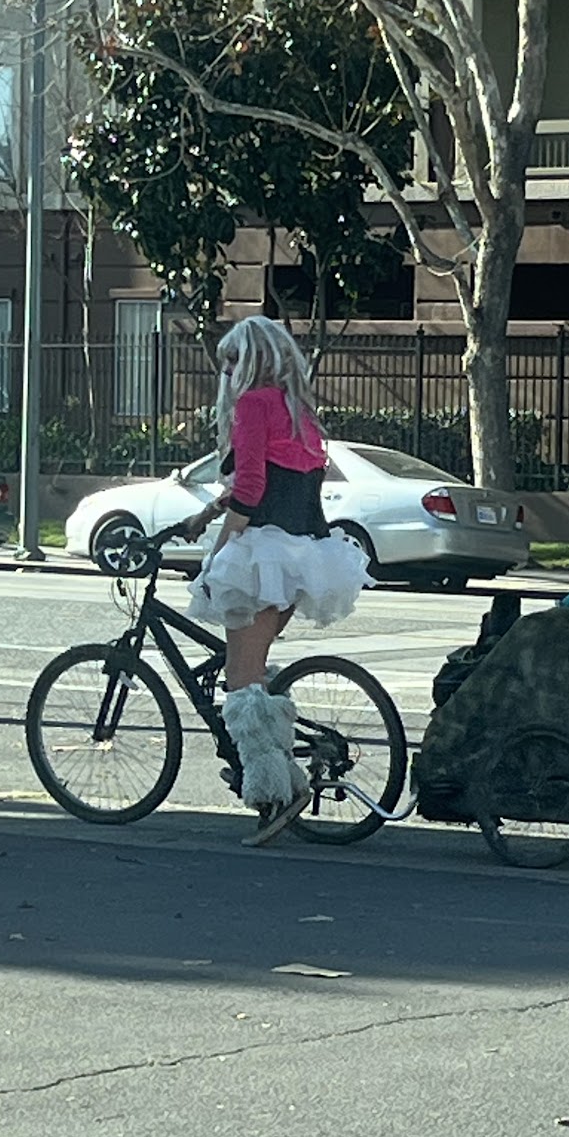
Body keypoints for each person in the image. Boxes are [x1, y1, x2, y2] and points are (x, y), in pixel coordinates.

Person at [182, 316, 370, 845]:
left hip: (262, 554)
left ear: (250, 361)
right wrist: (207, 513)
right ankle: (272, 773)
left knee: (241, 682)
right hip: (305, 552)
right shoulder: (297, 410)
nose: (225, 372)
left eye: (230, 362)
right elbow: (276, 480)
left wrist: (217, 551)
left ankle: (273, 793)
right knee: (254, 674)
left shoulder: (252, 404)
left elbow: (252, 488)